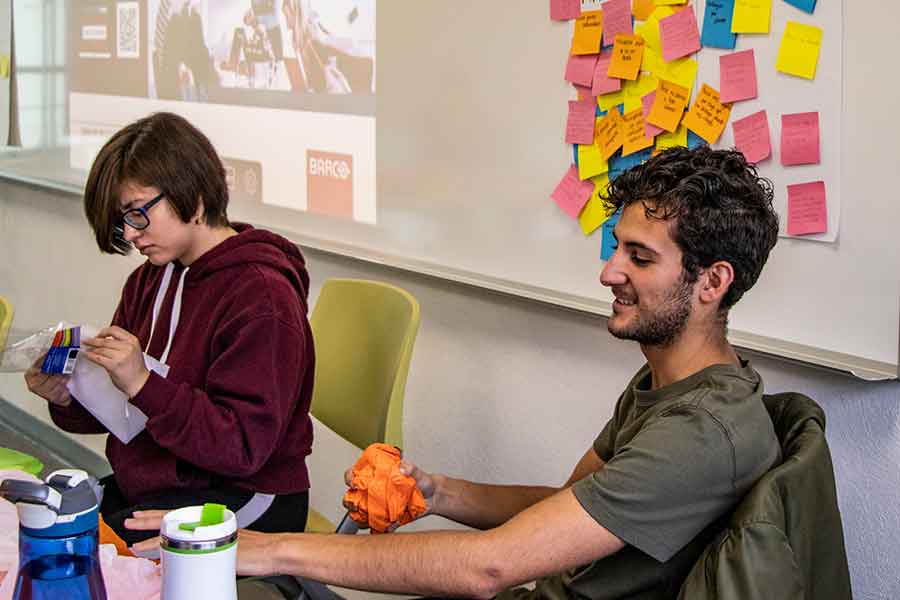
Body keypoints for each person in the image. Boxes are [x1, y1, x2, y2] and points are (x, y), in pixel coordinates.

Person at [128, 146, 782, 599]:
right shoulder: (668, 382)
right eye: (617, 250)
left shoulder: (702, 432)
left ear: (712, 282)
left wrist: (268, 549)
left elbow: (488, 568)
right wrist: (438, 492)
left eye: (639, 257)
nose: (610, 272)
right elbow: (569, 507)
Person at [24, 112, 315, 544]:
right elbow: (130, 414)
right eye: (122, 221)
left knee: (95, 554)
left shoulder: (262, 297)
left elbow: (241, 448)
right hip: (167, 480)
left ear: (194, 198)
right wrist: (68, 395)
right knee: (54, 528)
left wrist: (142, 381)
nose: (130, 233)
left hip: (247, 494)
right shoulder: (151, 278)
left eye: (136, 214)